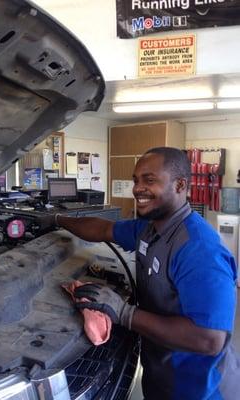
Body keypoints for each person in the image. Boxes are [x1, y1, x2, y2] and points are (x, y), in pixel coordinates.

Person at [48, 147, 240, 400]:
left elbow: (209, 340)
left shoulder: (199, 249)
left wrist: (125, 313)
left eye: (149, 180)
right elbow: (102, 229)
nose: (138, 188)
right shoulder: (147, 229)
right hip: (160, 375)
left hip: (200, 389)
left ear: (180, 185)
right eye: (136, 180)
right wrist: (56, 219)